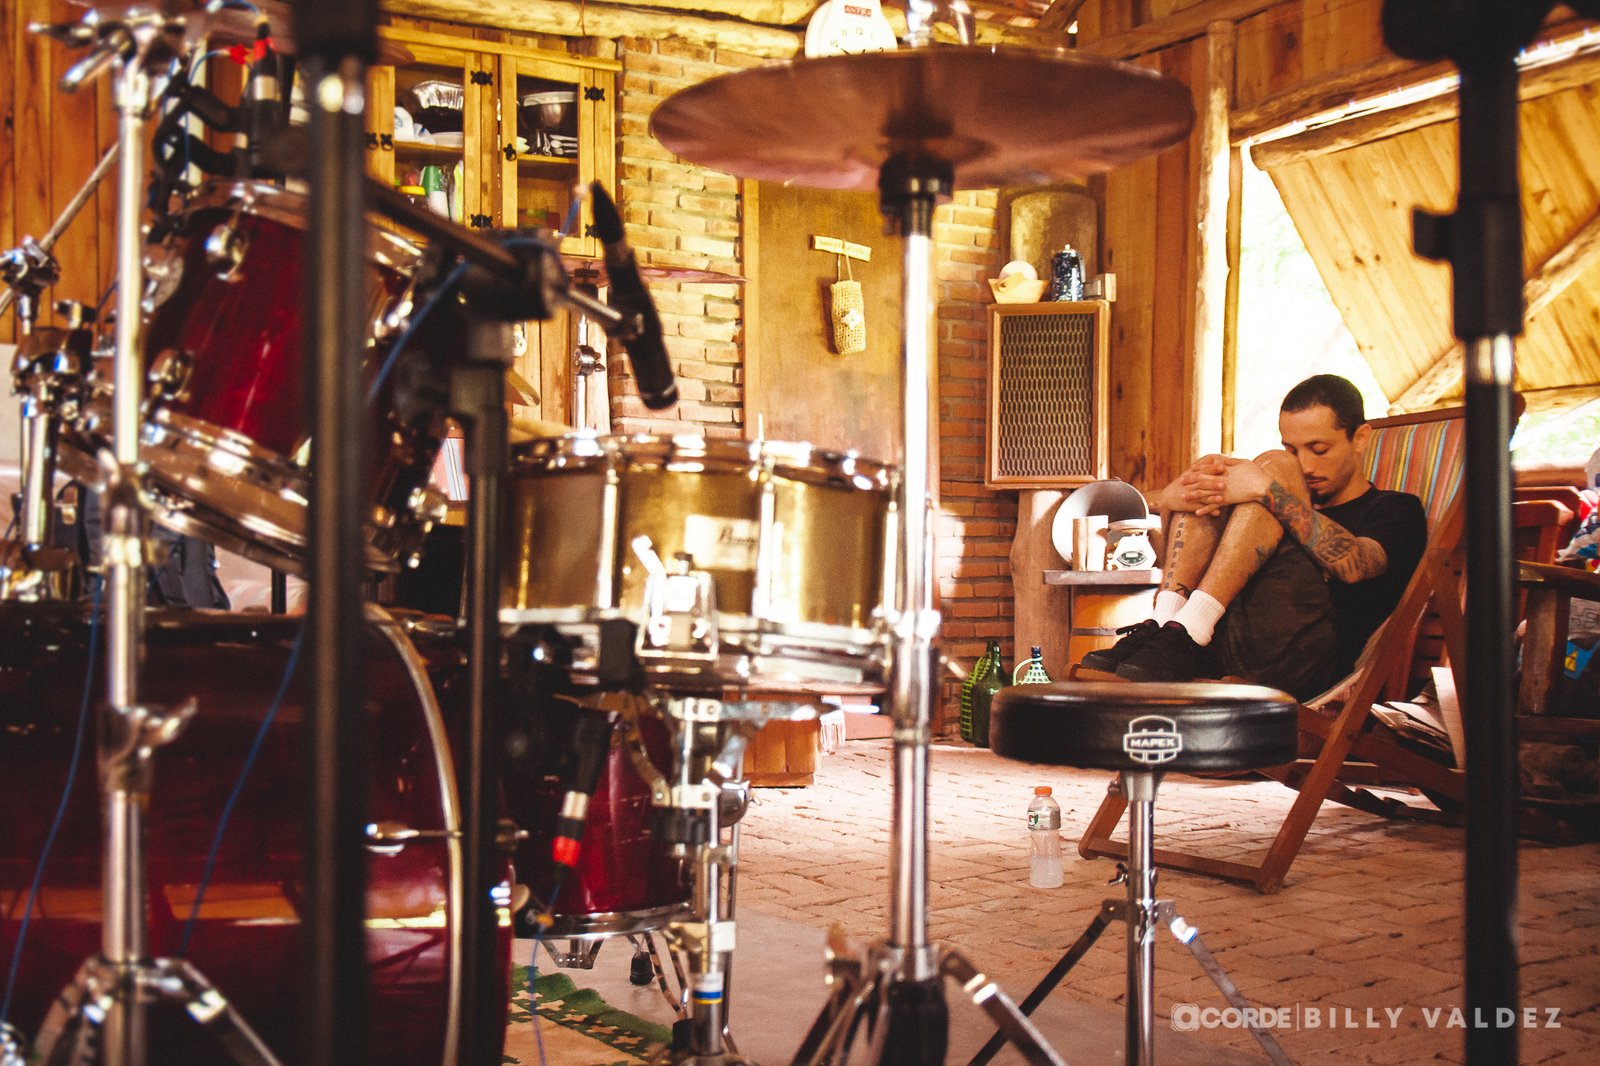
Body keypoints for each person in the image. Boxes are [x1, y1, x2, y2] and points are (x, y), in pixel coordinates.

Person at [1080, 374, 1427, 700]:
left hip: (1307, 663)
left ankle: (1189, 629)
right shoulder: (1261, 514)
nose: (1305, 465)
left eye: (1319, 449)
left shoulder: (1396, 509)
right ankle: (1168, 625)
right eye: (1293, 449)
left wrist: (1268, 489)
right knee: (1212, 467)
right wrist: (1170, 502)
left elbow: (1357, 565)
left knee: (1273, 466)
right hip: (1226, 646)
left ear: (1360, 438)